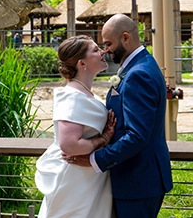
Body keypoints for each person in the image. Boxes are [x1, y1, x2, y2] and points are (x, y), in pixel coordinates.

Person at [67, 14, 173, 217]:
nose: (105, 50)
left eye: (108, 44)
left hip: (137, 181)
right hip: (137, 179)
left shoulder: (137, 74)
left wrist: (95, 159)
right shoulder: (141, 64)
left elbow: (137, 136)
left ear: (126, 38)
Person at [35, 35, 116, 218]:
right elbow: (69, 145)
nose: (102, 52)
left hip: (89, 177)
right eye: (95, 50)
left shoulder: (85, 93)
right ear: (82, 63)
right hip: (75, 178)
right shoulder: (71, 96)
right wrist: (102, 139)